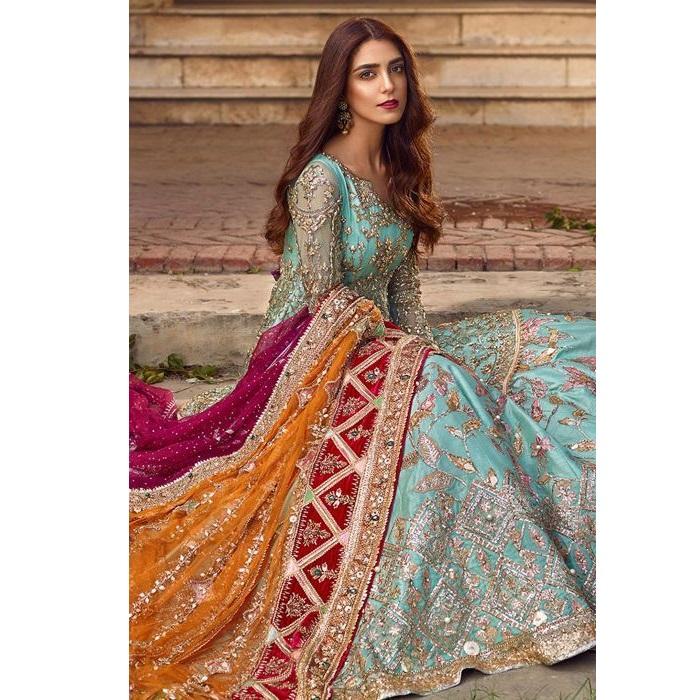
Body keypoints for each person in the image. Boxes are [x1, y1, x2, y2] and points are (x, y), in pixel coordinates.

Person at [129, 17, 595, 700]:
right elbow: (322, 305)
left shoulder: (402, 165)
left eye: (396, 69)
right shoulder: (321, 181)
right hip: (313, 356)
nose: (387, 85)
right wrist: (414, 365)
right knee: (444, 393)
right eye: (368, 73)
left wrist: (427, 353)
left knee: (558, 345)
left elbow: (404, 291)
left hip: (384, 341)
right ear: (340, 90)